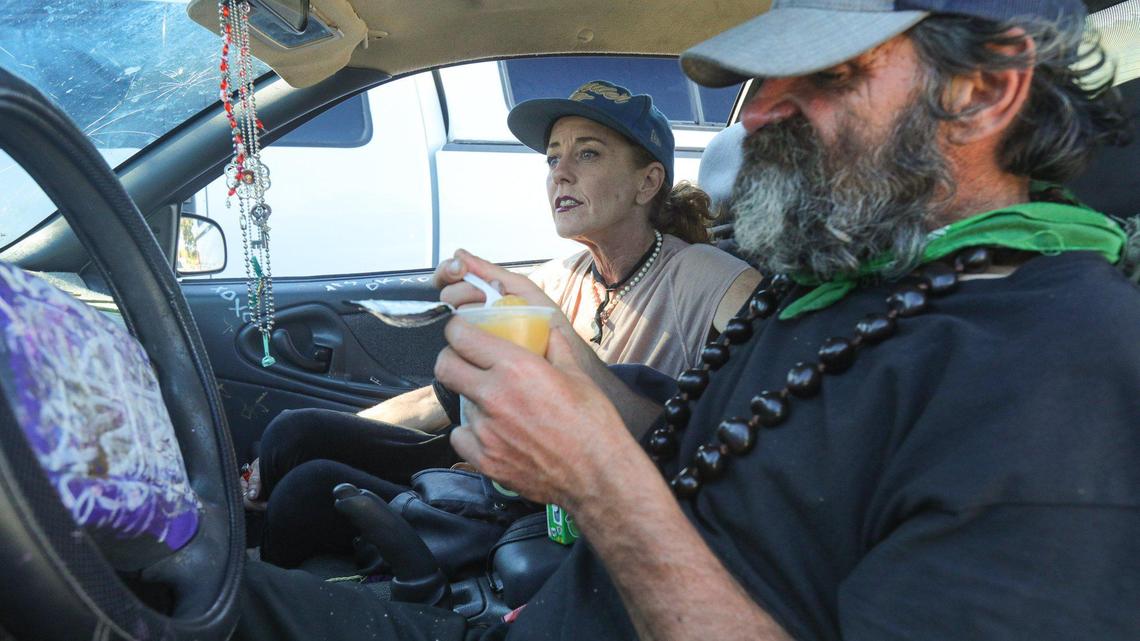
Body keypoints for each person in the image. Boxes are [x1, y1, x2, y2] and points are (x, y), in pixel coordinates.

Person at [234, 1, 1140, 639]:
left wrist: (598, 485)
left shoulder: (1058, 371)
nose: (762, 110)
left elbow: (637, 490)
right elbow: (694, 449)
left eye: (828, 74)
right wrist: (563, 352)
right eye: (769, 77)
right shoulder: (843, 285)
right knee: (184, 589)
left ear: (983, 91)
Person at [244, 80, 760, 567]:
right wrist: (356, 425)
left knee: (307, 492)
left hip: (556, 510)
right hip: (490, 472)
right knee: (292, 433)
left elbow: (745, 408)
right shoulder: (557, 278)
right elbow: (440, 401)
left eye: (588, 154)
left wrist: (558, 343)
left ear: (647, 182)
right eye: (553, 157)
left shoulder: (710, 276)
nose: (560, 174)